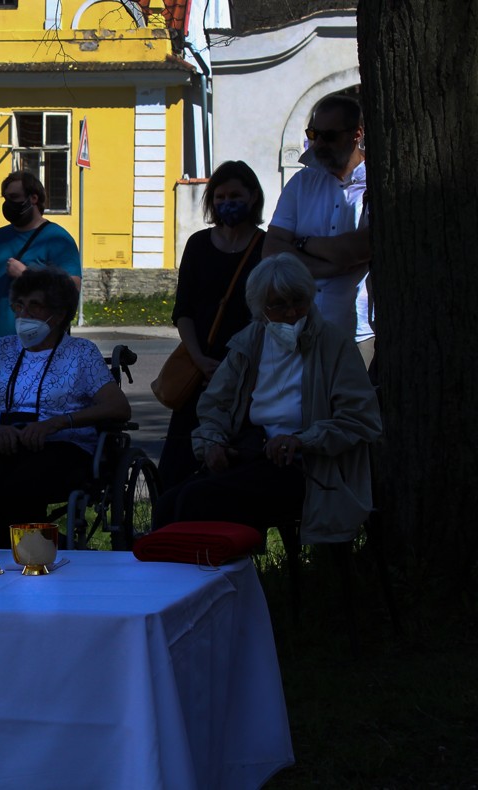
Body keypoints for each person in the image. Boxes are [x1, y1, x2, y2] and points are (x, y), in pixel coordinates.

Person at [153, 254, 381, 543]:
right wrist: (211, 442)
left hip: (308, 468)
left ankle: (216, 570)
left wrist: (301, 440)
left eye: (299, 301)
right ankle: (166, 571)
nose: (291, 312)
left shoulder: (333, 344)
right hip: (252, 453)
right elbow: (215, 404)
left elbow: (360, 419)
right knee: (168, 504)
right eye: (279, 305)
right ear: (261, 309)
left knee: (197, 500)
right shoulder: (250, 341)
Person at [0, 268, 130, 543]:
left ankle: (27, 550)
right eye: (19, 305)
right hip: (4, 442)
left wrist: (57, 423)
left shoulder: (81, 353)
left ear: (58, 314)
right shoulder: (0, 350)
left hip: (61, 445)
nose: (23, 314)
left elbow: (118, 407)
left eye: (34, 306)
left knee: (23, 483)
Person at [157, 161, 266, 491]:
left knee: (235, 465)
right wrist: (199, 359)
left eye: (235, 195)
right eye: (220, 197)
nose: (226, 203)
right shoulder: (198, 244)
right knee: (179, 465)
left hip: (248, 368)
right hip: (200, 369)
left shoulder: (267, 246)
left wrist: (237, 367)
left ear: (253, 197)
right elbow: (183, 311)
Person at [263, 94, 373, 365]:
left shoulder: (375, 182)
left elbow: (356, 249)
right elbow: (272, 249)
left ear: (357, 134)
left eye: (330, 136)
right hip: (301, 326)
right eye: (314, 134)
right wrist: (329, 266)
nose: (319, 144)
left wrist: (302, 243)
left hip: (357, 329)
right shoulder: (302, 182)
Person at [0, 171, 81, 367]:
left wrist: (26, 275)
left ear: (33, 198)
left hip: (38, 352)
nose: (8, 204)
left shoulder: (57, 239)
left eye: (14, 197)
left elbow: (71, 290)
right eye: (5, 198)